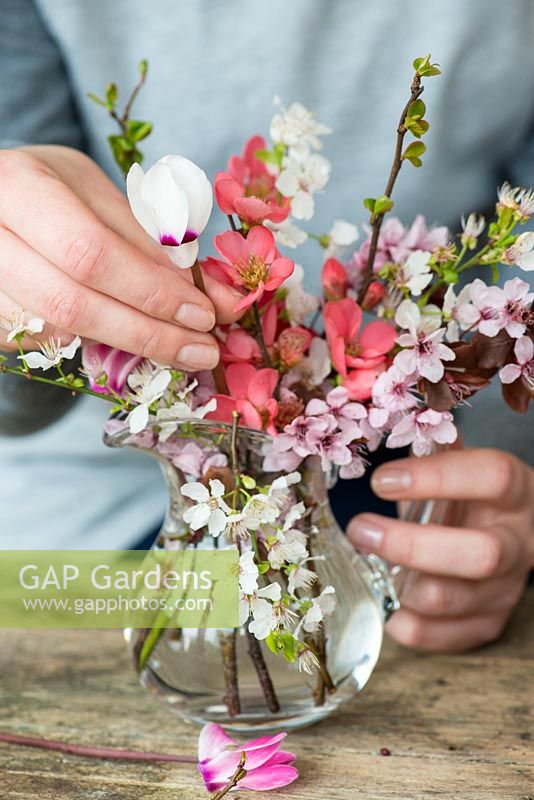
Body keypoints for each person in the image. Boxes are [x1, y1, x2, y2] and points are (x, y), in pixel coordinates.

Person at [0, 0, 533, 652]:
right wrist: (21, 314)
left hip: (415, 498)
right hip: (90, 538)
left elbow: (518, 307)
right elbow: (17, 403)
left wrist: (507, 480)